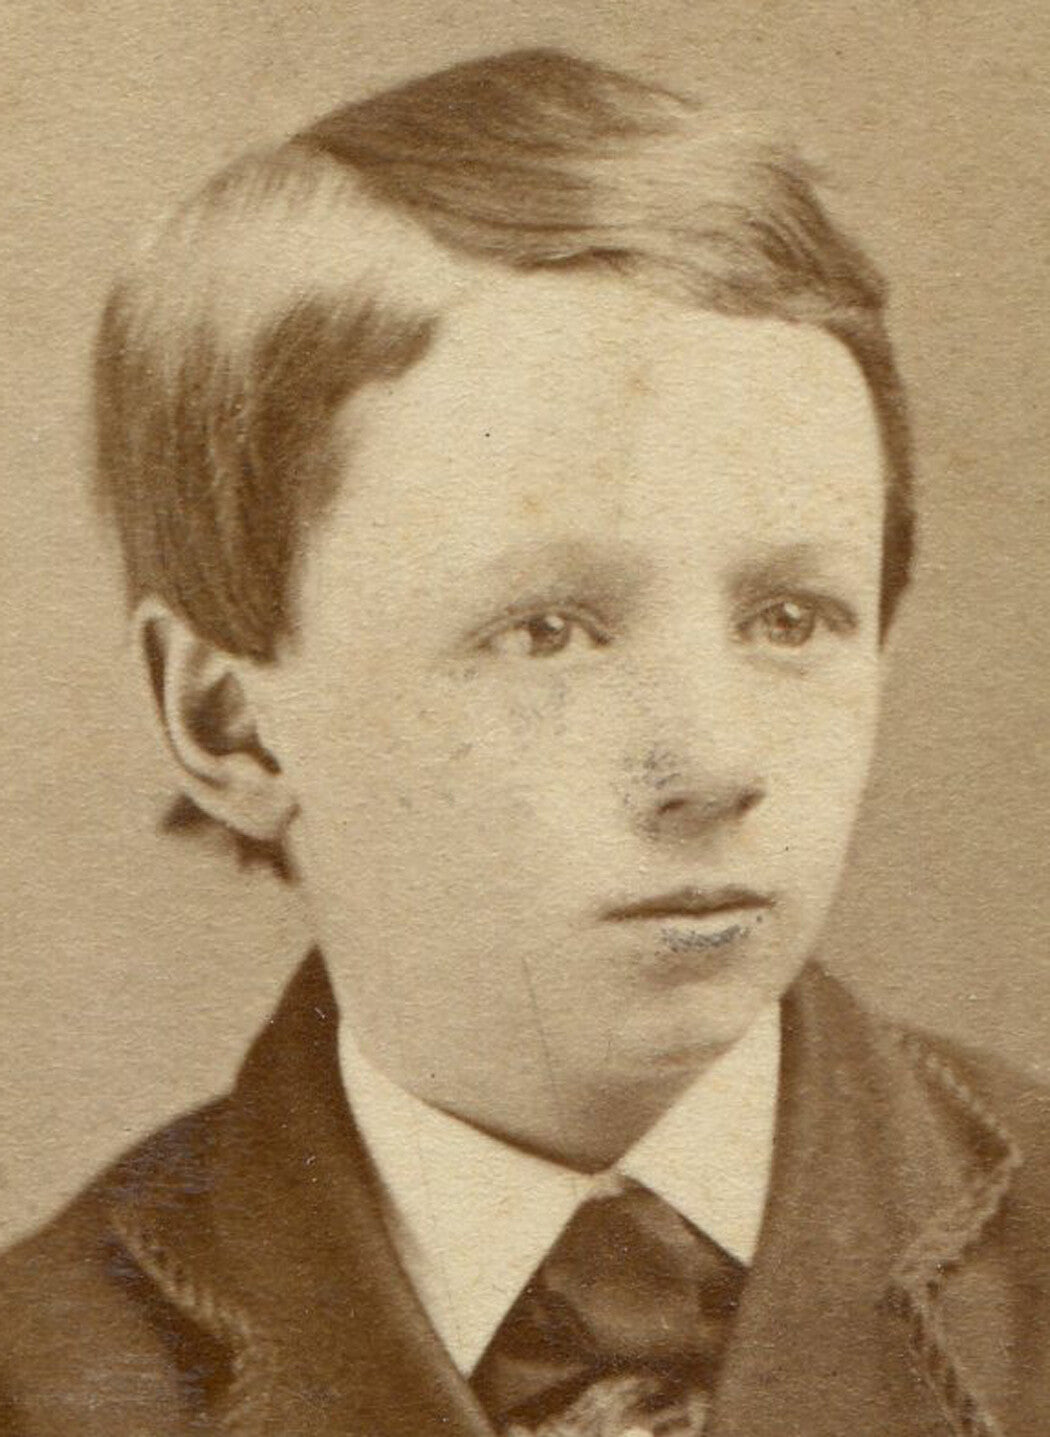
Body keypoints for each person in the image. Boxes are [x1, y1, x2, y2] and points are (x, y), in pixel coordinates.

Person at [0, 46, 1047, 1437]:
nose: (715, 762)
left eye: (791, 616)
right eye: (546, 628)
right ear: (230, 719)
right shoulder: (46, 1374)